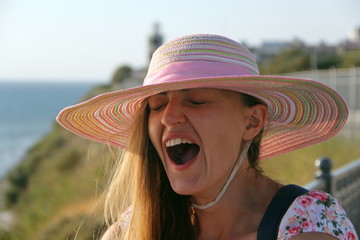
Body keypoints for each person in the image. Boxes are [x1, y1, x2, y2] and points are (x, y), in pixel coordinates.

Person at [57, 34, 358, 240]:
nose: (169, 116)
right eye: (157, 105)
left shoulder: (308, 229)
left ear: (252, 121)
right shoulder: (129, 229)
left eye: (197, 100)